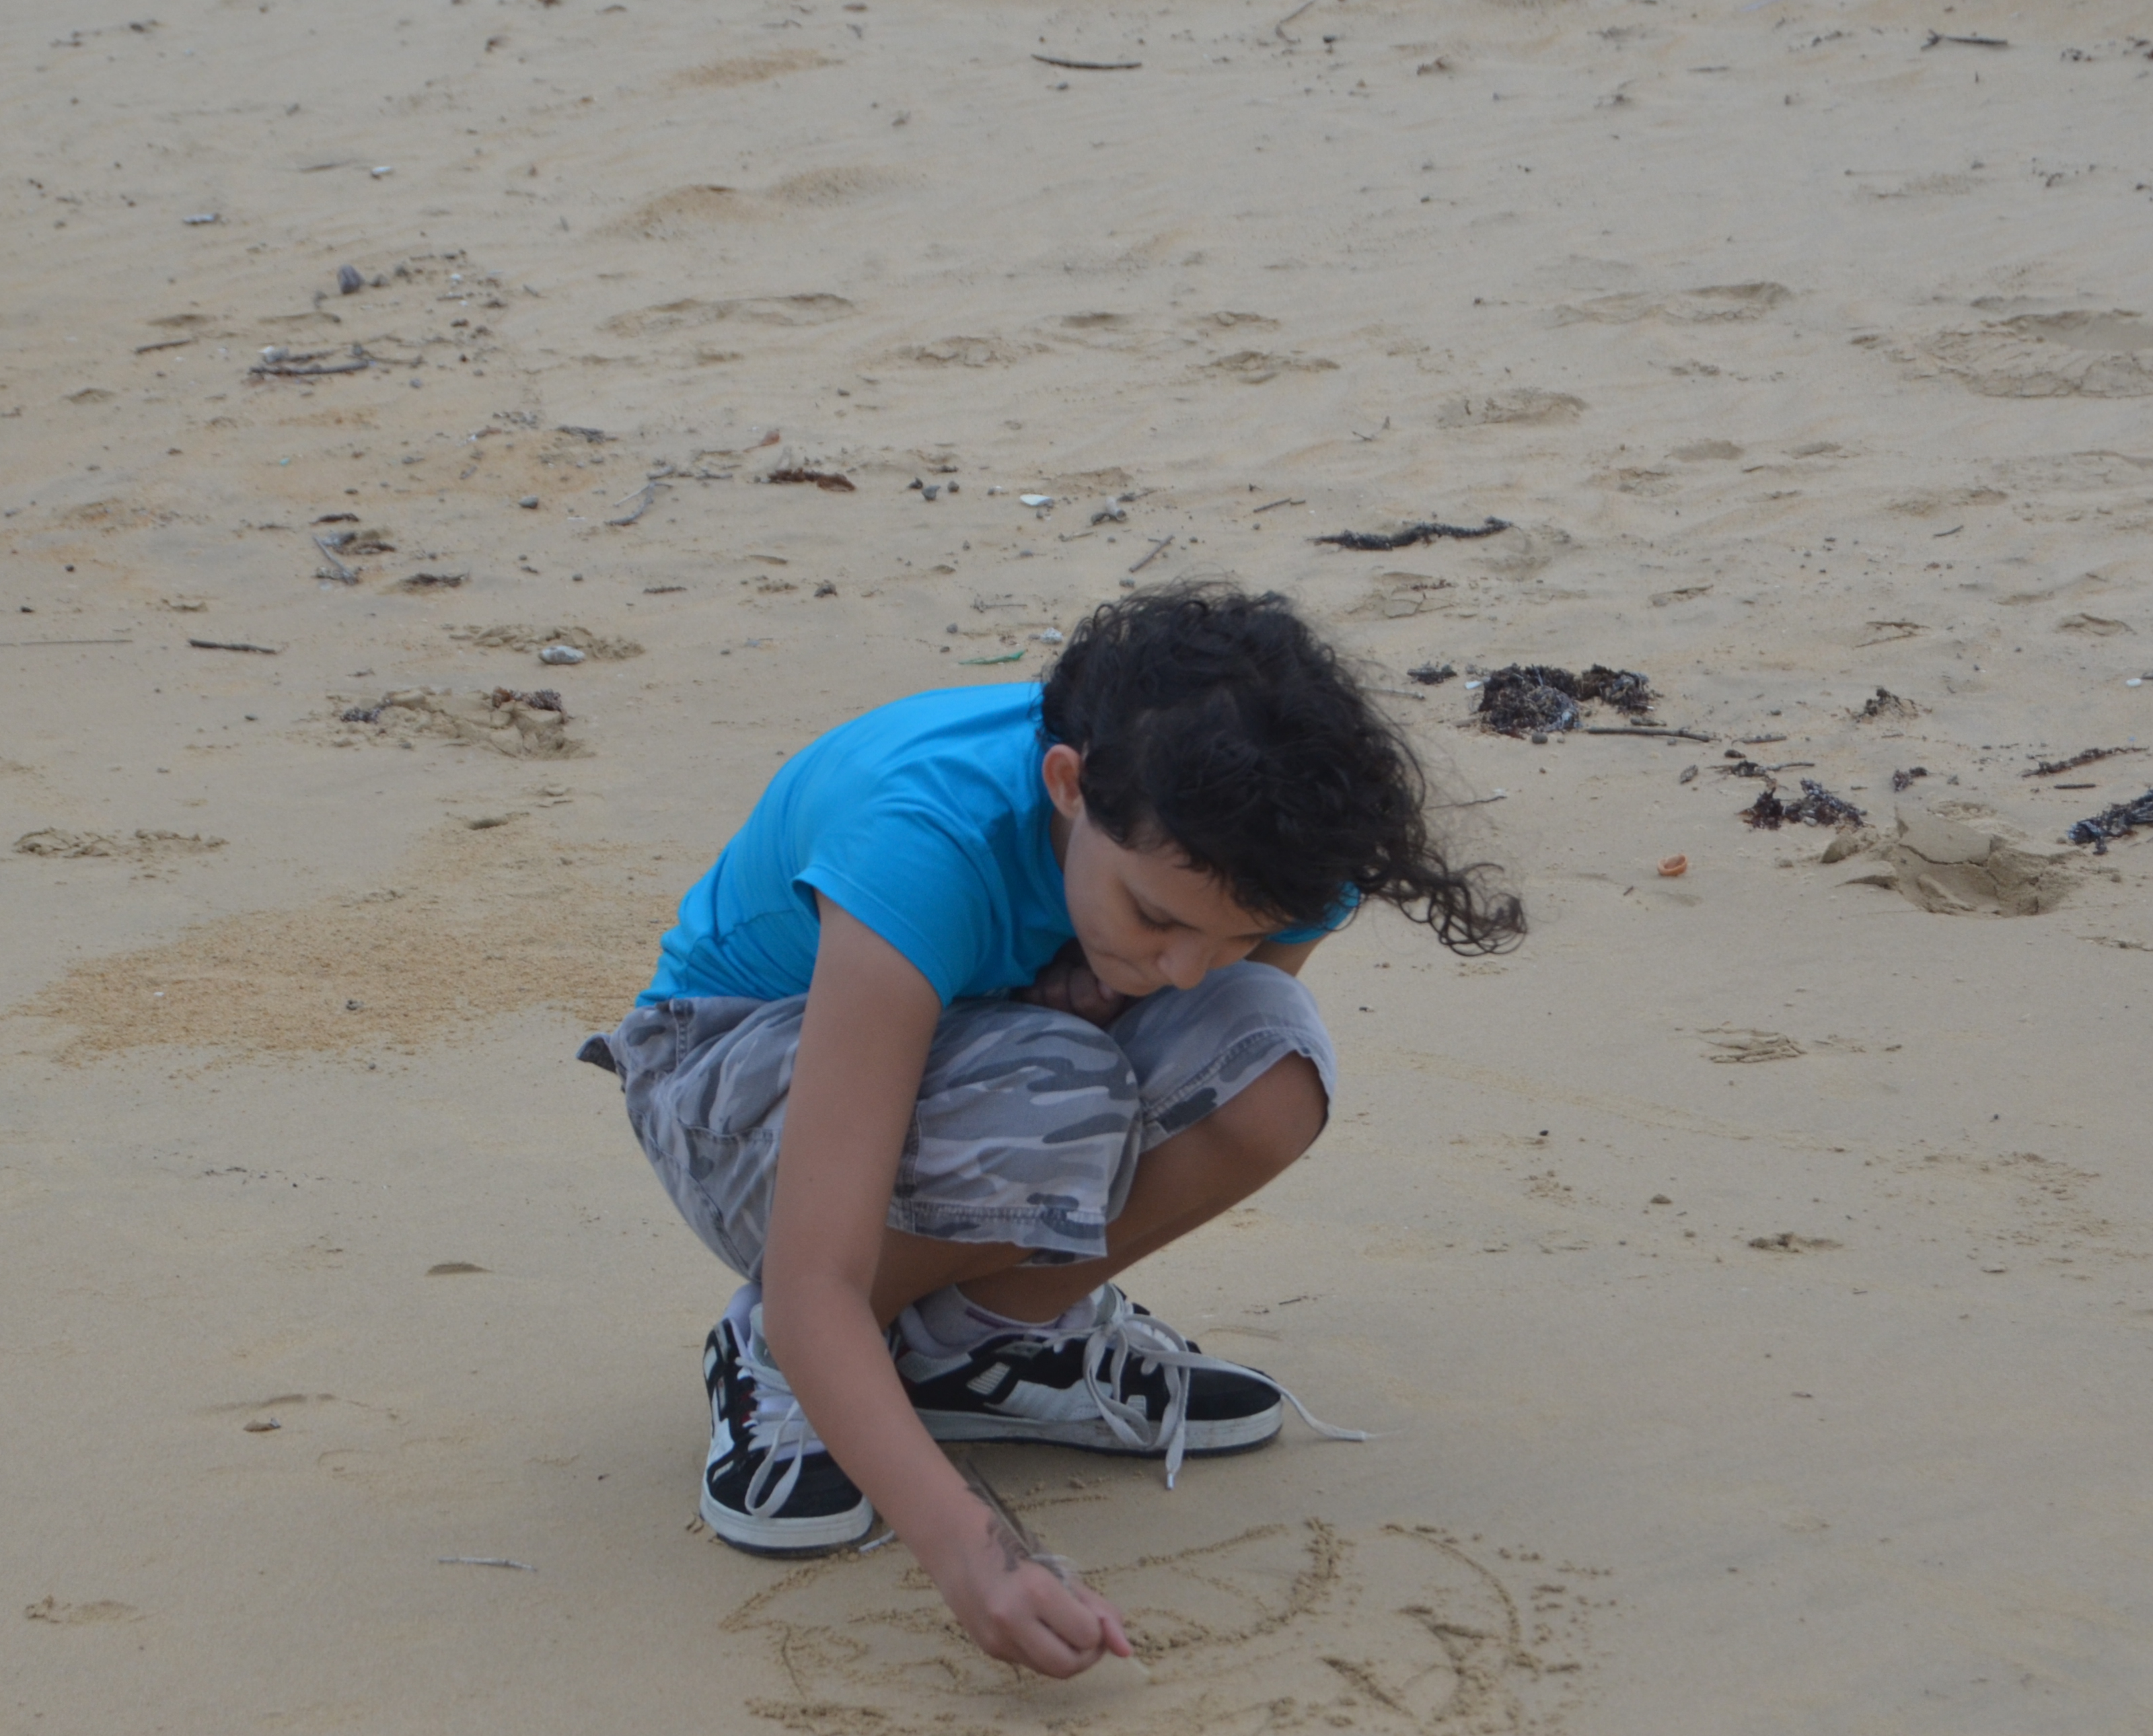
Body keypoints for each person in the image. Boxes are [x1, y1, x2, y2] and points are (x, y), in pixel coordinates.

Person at [579, 585, 1523, 1677]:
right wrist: (973, 1553)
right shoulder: (926, 834)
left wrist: (1111, 981)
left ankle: (967, 1348)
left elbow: (1209, 1016)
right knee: (1058, 1088)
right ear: (1068, 785)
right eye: (1155, 917)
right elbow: (815, 1279)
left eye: (1233, 935)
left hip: (980, 1058)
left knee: (1268, 1062)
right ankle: (772, 1366)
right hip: (724, 1074)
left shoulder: (1274, 855)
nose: (1184, 968)